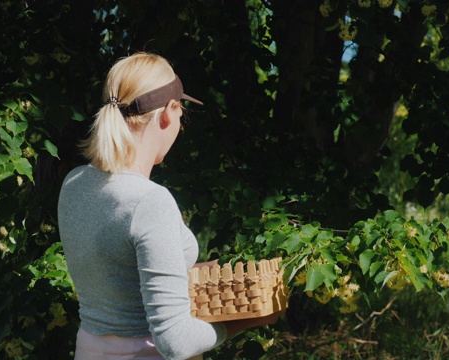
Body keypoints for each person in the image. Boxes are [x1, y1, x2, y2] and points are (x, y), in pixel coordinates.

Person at [58, 52, 281, 360]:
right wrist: (250, 319)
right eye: (180, 113)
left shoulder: (74, 183)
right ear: (168, 112)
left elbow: (121, 277)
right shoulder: (150, 201)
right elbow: (174, 342)